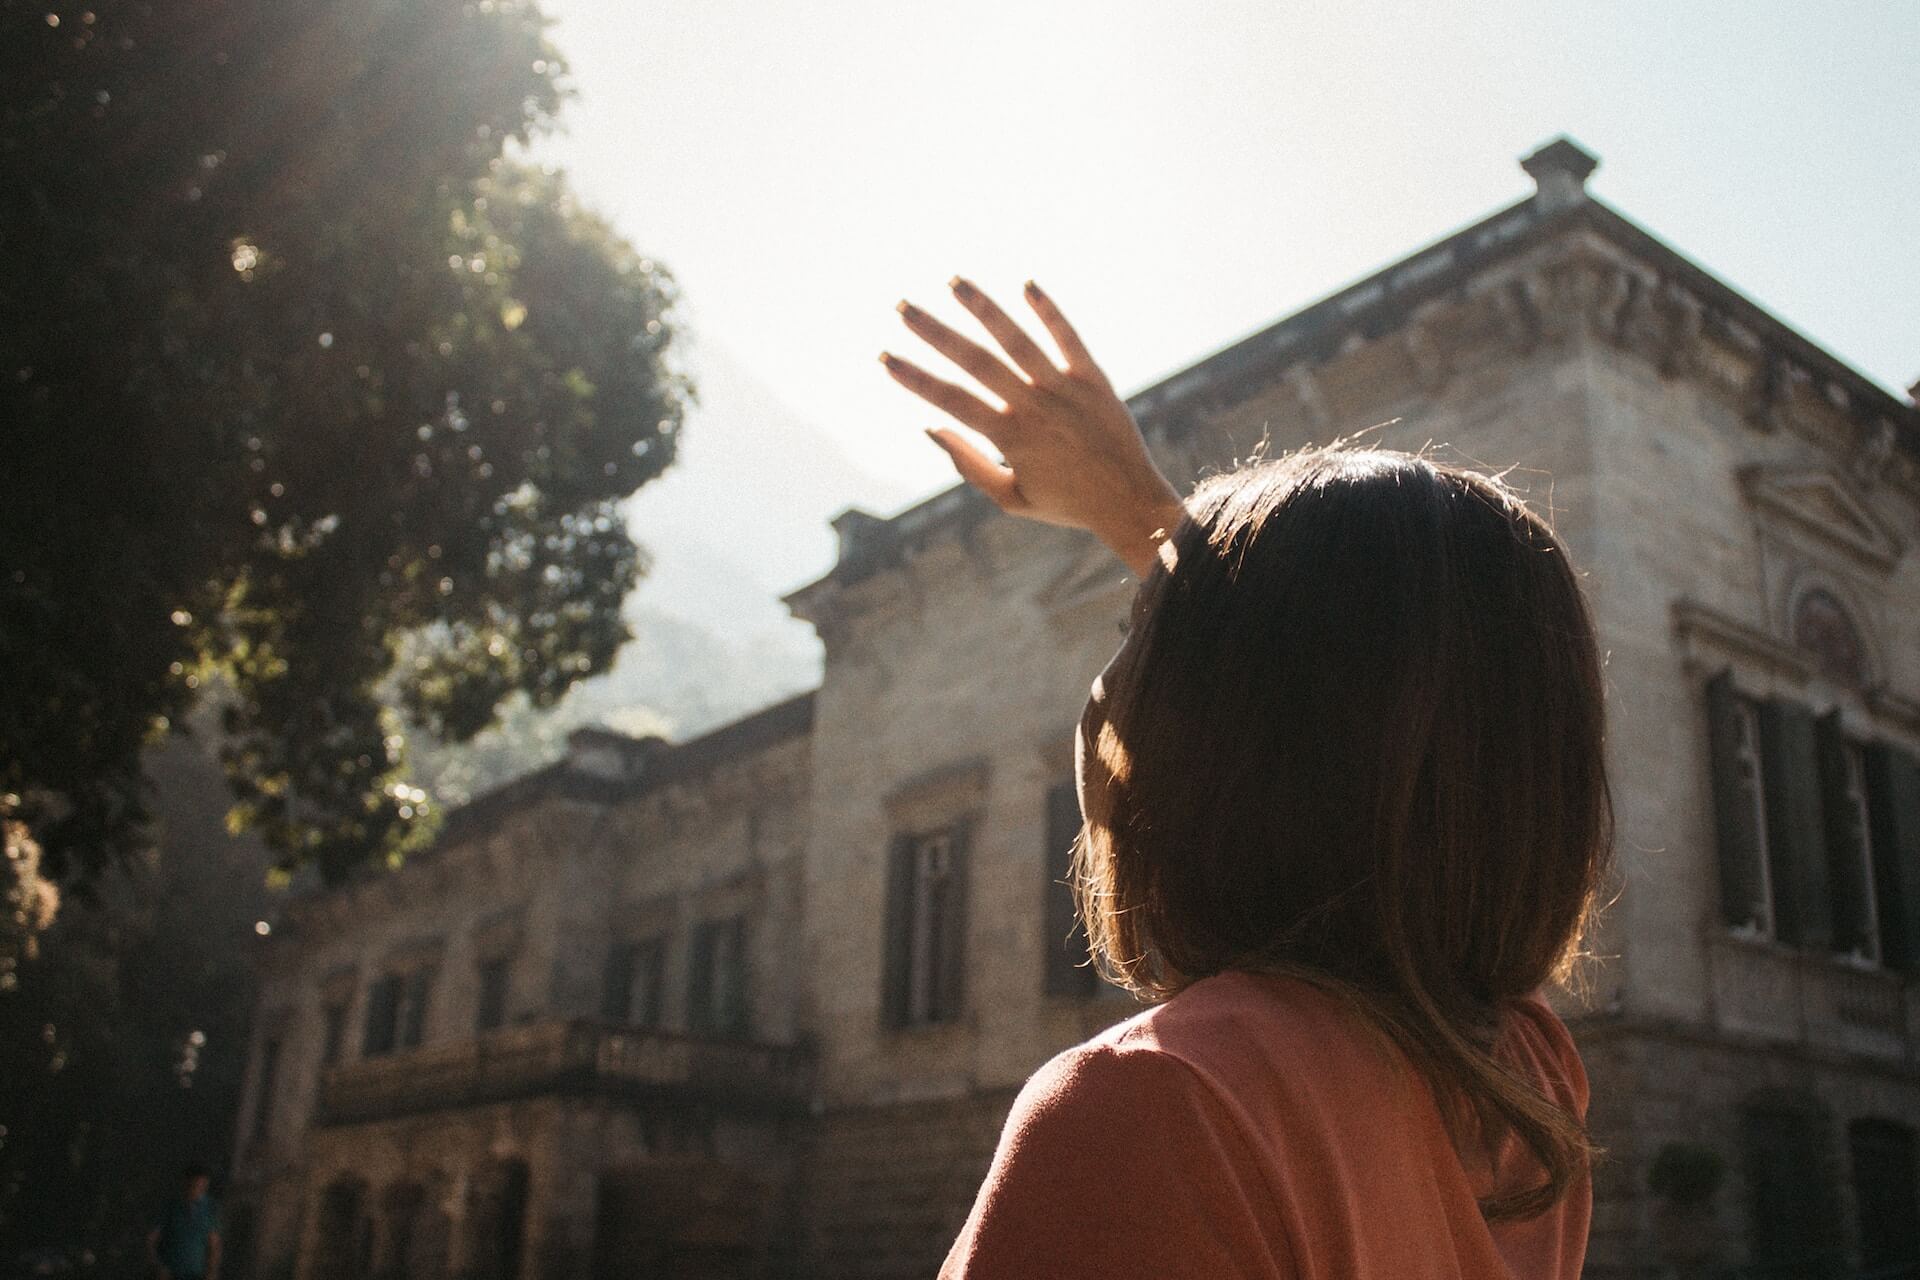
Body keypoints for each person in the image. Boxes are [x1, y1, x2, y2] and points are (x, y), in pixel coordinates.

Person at [880, 278, 1609, 1279]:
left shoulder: (1152, 1104)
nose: (1099, 693)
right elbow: (1363, 678)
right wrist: (1152, 523)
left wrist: (1171, 545)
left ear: (1220, 735)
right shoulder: (1526, 1079)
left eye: (1137, 635)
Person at [147, 1163, 223, 1280]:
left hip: (196, 1274)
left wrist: (212, 1272)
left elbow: (214, 1244)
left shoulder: (210, 1208)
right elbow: (151, 1239)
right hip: (169, 1273)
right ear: (185, 1182)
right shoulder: (170, 1206)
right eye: (194, 1185)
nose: (198, 1190)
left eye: (202, 1186)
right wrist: (158, 1266)